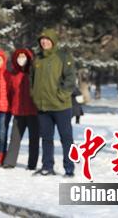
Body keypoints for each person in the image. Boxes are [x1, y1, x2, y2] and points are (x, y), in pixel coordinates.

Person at [30, 29, 76, 177]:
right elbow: (31, 79)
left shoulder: (63, 56)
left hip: (61, 106)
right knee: (46, 138)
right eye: (42, 39)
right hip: (43, 107)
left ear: (53, 41)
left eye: (47, 39)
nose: (44, 42)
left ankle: (69, 168)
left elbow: (70, 79)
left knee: (66, 138)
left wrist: (61, 95)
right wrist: (34, 95)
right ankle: (47, 166)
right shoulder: (37, 59)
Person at [2, 49, 39, 170]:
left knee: (34, 139)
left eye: (24, 56)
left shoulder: (34, 72)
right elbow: (9, 92)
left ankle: (32, 164)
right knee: (14, 138)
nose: (21, 59)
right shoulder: (13, 74)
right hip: (18, 111)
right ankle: (9, 162)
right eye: (19, 57)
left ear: (28, 58)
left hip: (33, 111)